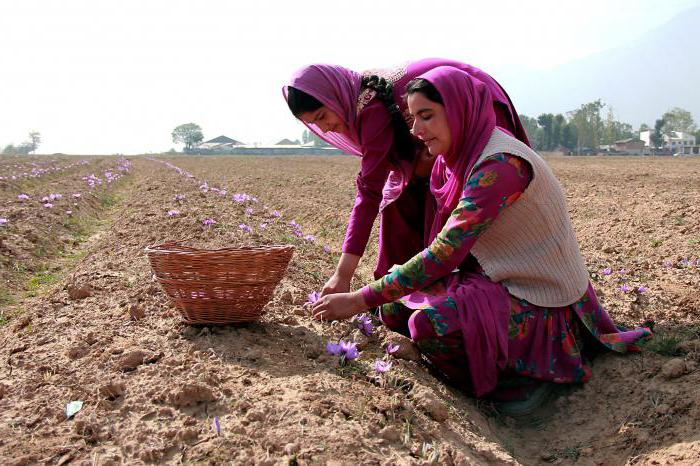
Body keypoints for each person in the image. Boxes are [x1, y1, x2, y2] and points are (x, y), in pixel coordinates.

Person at [310, 66, 651, 401]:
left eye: (427, 116)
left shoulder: (499, 165)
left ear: (459, 110)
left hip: (537, 293)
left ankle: (521, 381)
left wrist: (357, 299)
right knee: (395, 311)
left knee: (426, 327)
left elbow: (445, 253)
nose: (416, 130)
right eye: (413, 118)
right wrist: (375, 295)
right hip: (495, 276)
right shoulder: (452, 157)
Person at [283, 59, 529, 299]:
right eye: (315, 123)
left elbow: (369, 192)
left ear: (333, 96)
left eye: (323, 115)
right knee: (400, 201)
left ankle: (485, 283)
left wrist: (343, 275)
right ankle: (405, 287)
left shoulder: (370, 110)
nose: (324, 128)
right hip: (435, 142)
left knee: (472, 207)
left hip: (477, 110)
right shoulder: (357, 96)